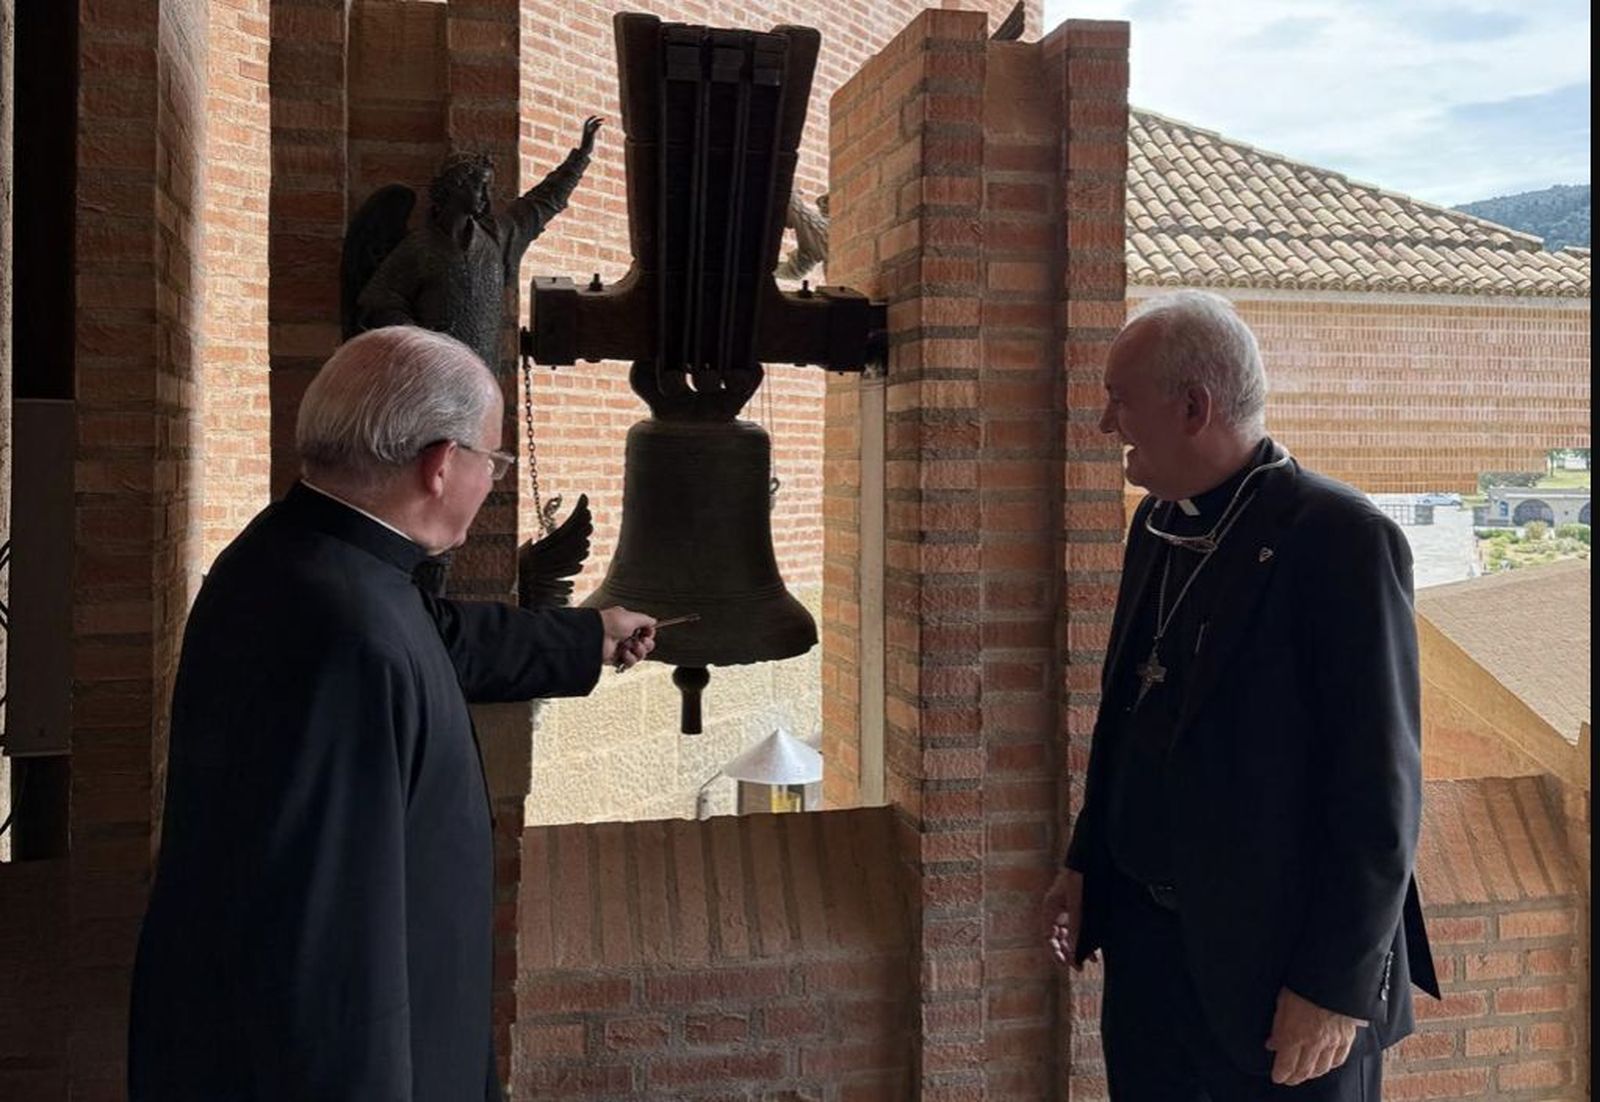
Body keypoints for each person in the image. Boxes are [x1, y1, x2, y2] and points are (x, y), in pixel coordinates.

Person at [128, 326, 655, 1100]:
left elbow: (435, 636)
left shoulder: (303, 556)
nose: (493, 478)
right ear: (441, 466)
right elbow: (334, 955)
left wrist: (584, 638)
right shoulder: (348, 637)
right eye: (493, 460)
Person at [1043, 290, 1438, 1100]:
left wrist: (1333, 988)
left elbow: (1380, 793)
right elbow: (1130, 716)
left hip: (1279, 983)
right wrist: (1089, 859)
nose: (1104, 424)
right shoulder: (1156, 525)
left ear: (1194, 406)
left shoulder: (1340, 541)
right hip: (1152, 962)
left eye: (1120, 399)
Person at [352, 117, 604, 370]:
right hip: (435, 376)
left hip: (485, 375)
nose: (486, 196)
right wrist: (420, 338)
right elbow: (378, 303)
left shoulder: (498, 237)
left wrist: (580, 157)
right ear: (454, 187)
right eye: (480, 187)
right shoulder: (420, 247)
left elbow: (543, 201)